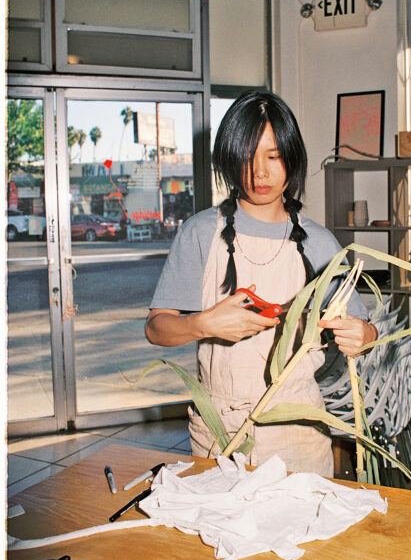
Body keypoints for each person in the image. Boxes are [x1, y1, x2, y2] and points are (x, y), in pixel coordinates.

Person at [145, 90, 377, 477]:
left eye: (273, 156)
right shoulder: (200, 233)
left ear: (292, 157)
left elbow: (366, 330)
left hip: (297, 430)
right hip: (220, 431)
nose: (260, 173)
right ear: (229, 161)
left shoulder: (319, 243)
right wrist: (201, 324)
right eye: (247, 158)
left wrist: (362, 335)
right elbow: (156, 328)